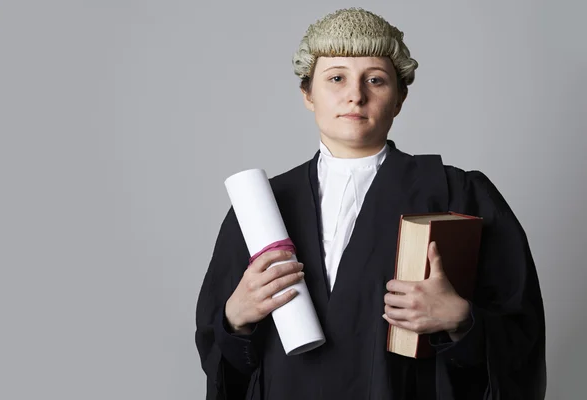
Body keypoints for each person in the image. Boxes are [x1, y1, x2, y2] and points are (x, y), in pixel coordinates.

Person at [195, 7, 546, 400]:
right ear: (307, 94)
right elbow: (222, 354)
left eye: (375, 80)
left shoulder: (457, 194)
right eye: (336, 78)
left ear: (399, 97)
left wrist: (461, 320)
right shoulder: (262, 208)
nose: (355, 95)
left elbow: (521, 333)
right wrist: (234, 319)